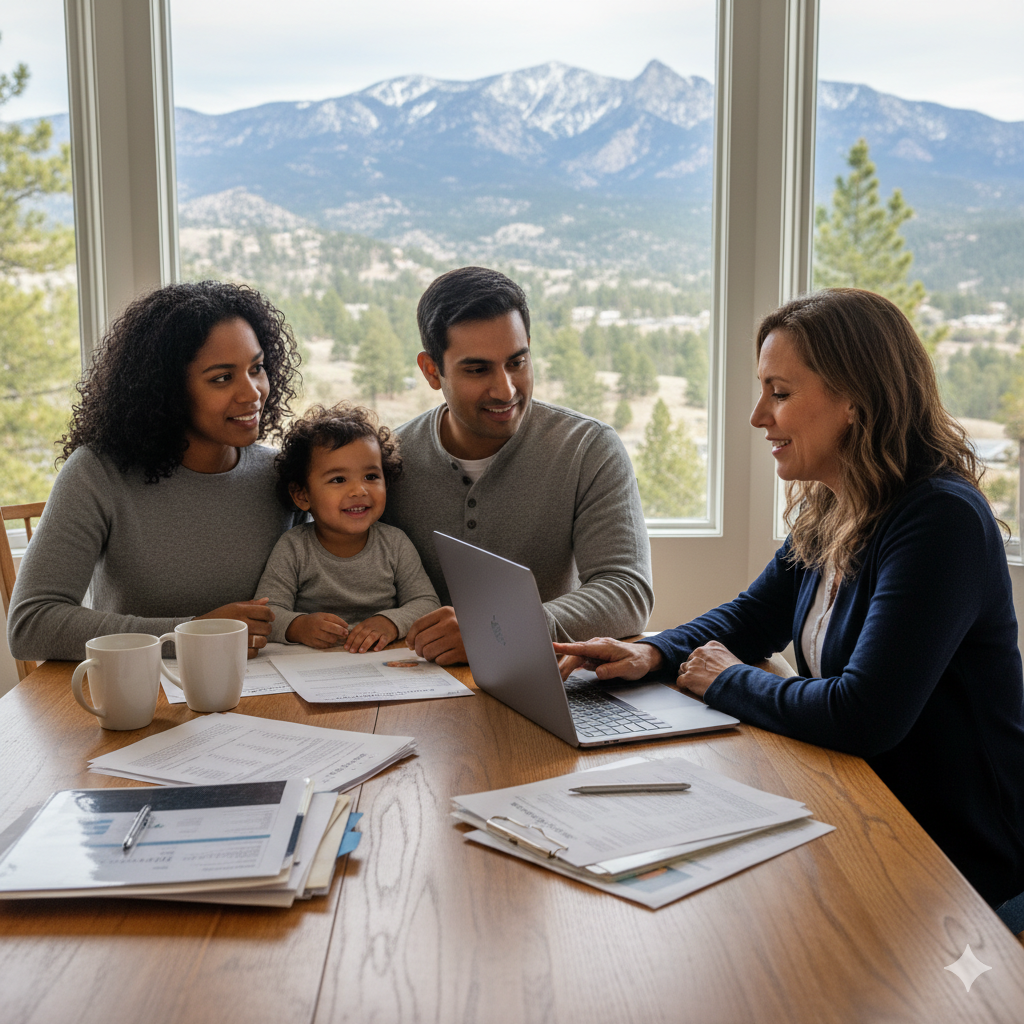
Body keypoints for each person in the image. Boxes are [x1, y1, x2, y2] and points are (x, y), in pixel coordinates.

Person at [555, 288, 1024, 910]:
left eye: (780, 393)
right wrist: (651, 654)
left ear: (856, 399)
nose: (757, 416)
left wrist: (726, 681)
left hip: (958, 867)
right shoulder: (836, 500)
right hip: (862, 815)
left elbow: (865, 716)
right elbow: (753, 616)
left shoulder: (940, 520)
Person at [7, 281, 305, 662]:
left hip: (268, 697)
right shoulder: (98, 473)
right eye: (221, 378)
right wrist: (192, 634)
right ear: (167, 390)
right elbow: (31, 625)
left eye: (257, 368)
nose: (252, 393)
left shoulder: (283, 477)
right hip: (140, 701)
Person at [381, 265, 654, 666]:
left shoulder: (588, 448)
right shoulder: (387, 461)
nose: (505, 389)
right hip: (412, 684)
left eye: (517, 362)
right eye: (478, 369)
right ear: (431, 371)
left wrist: (501, 631)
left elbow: (627, 592)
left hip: (545, 682)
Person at [254, 403, 439, 653]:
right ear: (302, 495)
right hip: (311, 666)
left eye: (371, 477)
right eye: (338, 479)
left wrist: (391, 623)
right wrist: (298, 626)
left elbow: (426, 603)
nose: (359, 491)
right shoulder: (294, 547)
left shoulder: (395, 543)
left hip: (383, 663)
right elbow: (267, 611)